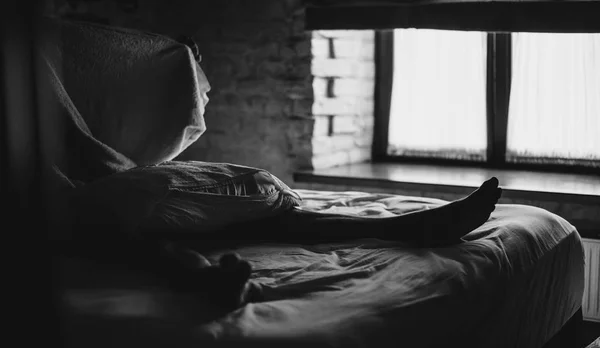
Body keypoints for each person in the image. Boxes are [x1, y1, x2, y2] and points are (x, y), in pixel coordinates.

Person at [51, 32, 502, 312]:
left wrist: (166, 50)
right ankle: (202, 279)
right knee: (119, 230)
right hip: (56, 206)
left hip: (82, 195)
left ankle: (410, 225)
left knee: (249, 218)